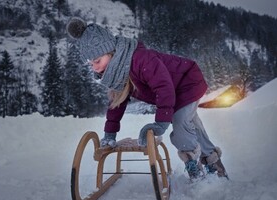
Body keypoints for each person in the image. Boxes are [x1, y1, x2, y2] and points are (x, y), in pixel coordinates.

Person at [66, 17, 228, 180]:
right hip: (174, 90)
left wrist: (161, 123)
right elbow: (117, 102)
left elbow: (164, 88)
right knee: (190, 124)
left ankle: (196, 171)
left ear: (110, 52)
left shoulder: (140, 59)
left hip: (187, 82)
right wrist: (110, 134)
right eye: (91, 64)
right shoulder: (117, 73)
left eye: (97, 61)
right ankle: (215, 165)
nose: (95, 68)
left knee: (180, 123)